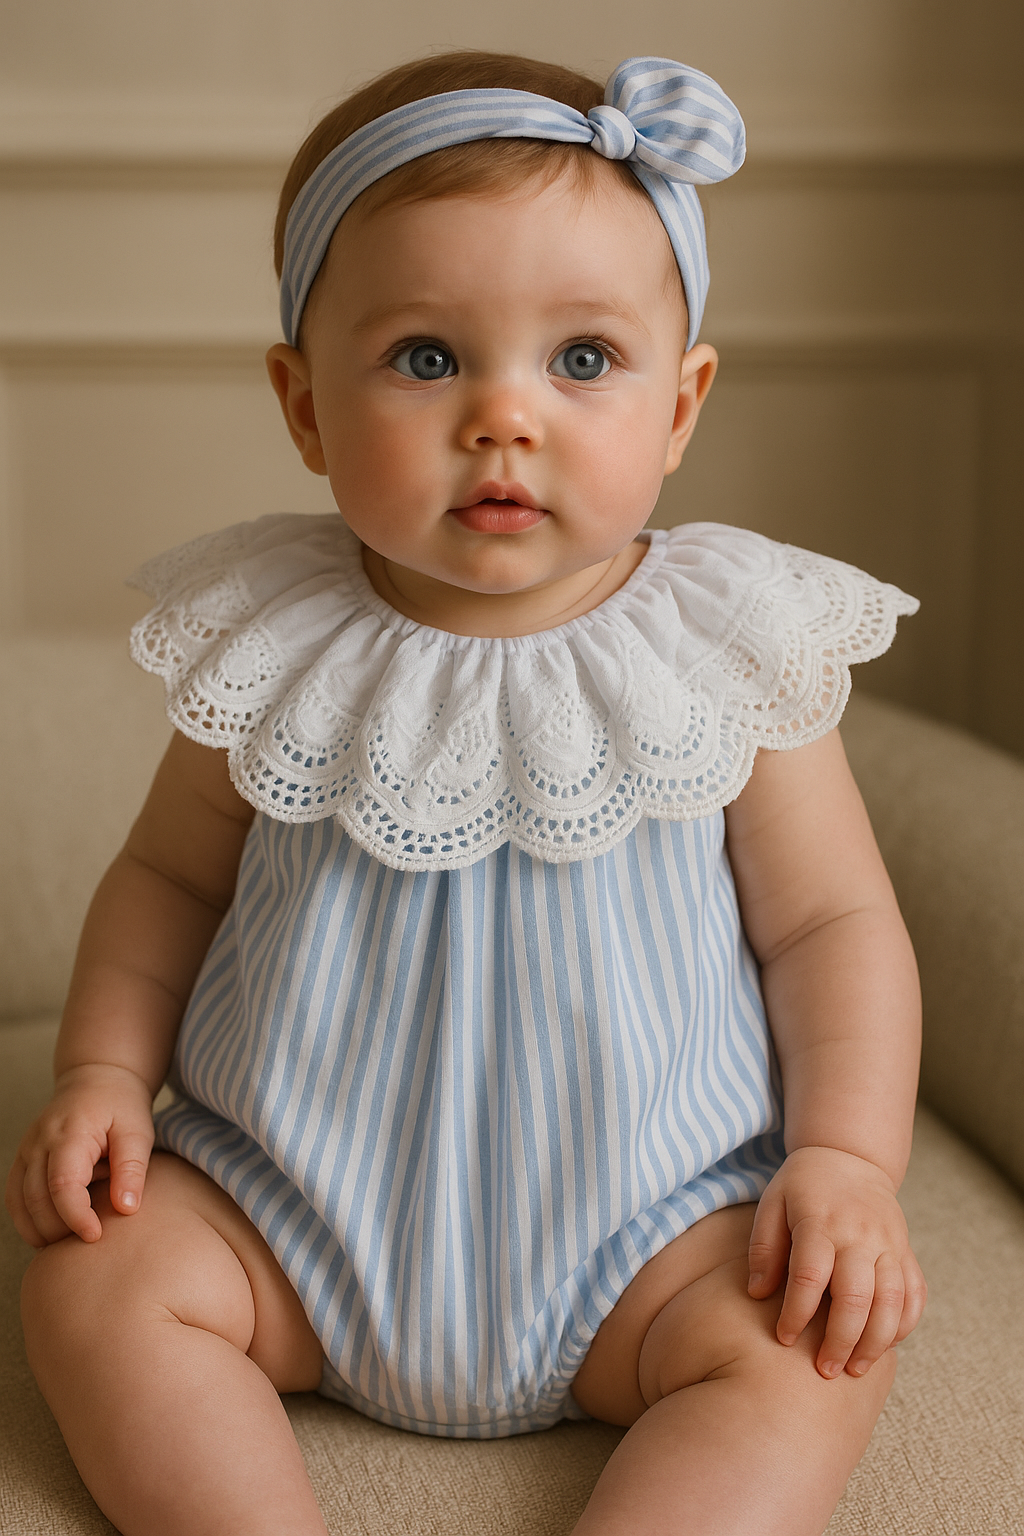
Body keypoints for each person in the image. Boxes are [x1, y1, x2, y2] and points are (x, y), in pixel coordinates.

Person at [6, 49, 926, 1536]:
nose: (506, 416)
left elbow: (833, 926)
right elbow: (167, 882)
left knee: (813, 1344)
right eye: (427, 357)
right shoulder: (272, 634)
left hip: (655, 1238)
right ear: (304, 408)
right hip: (279, 1215)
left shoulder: (731, 647)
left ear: (681, 404)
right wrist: (104, 1079)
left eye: (582, 360)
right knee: (90, 1282)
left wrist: (843, 1161)